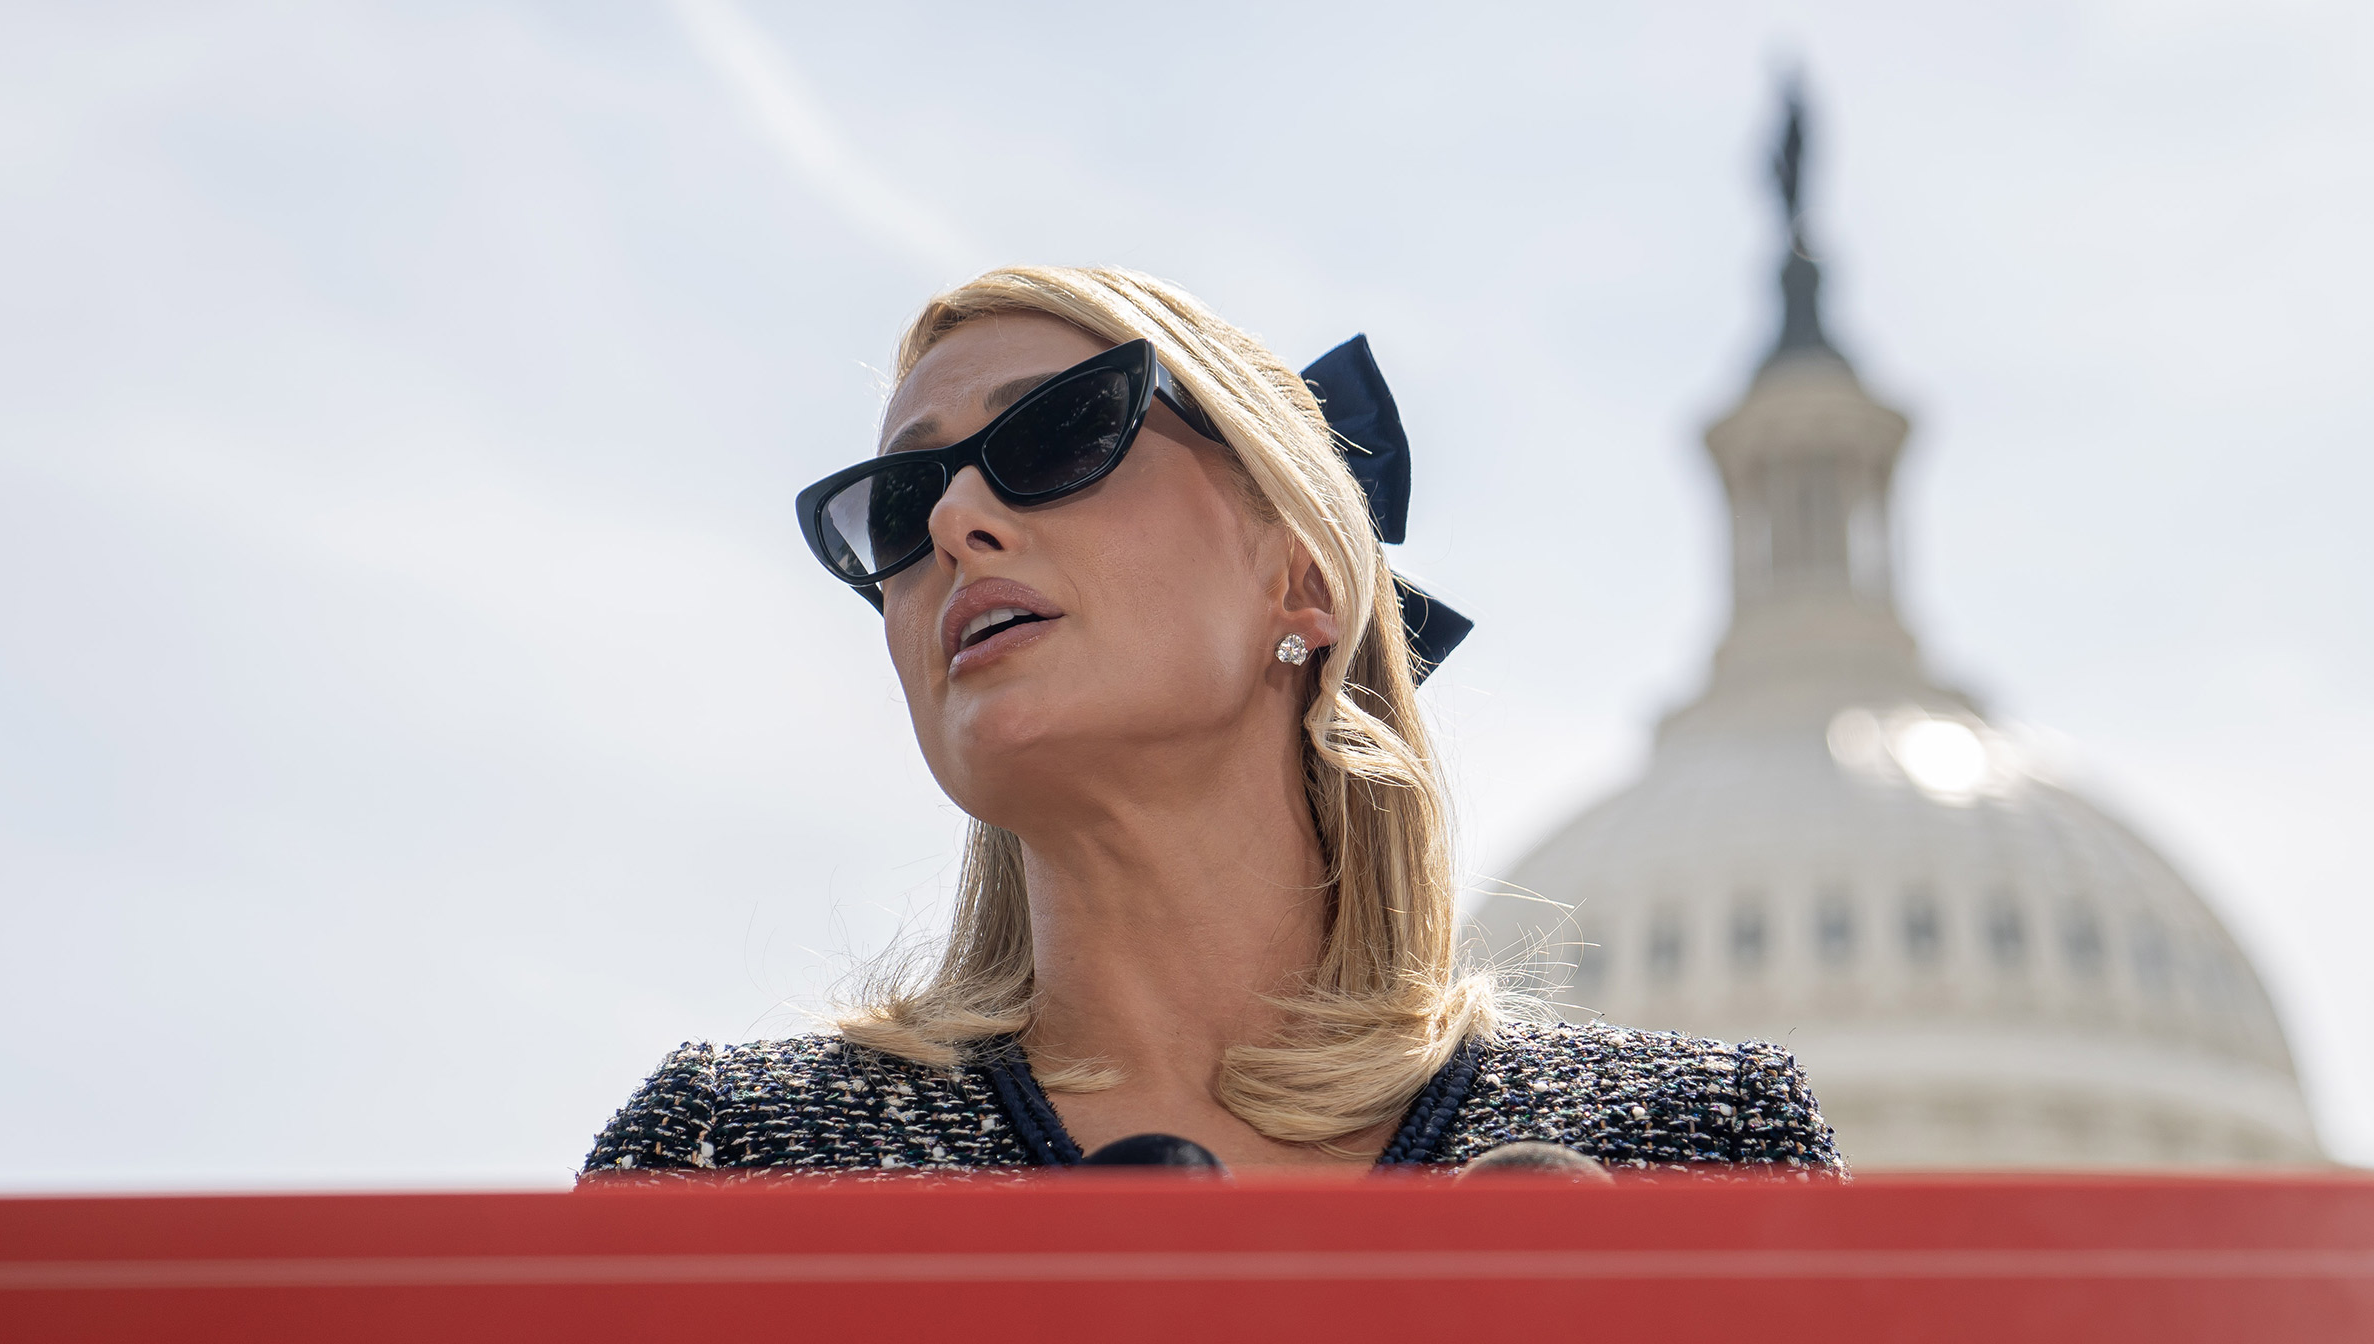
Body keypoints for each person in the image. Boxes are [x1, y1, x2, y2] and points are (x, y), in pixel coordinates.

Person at [583, 266, 1840, 1176]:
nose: (957, 520)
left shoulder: (1698, 1146)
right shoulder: (729, 1154)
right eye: (899, 506)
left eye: (1061, 434)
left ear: (1302, 577)